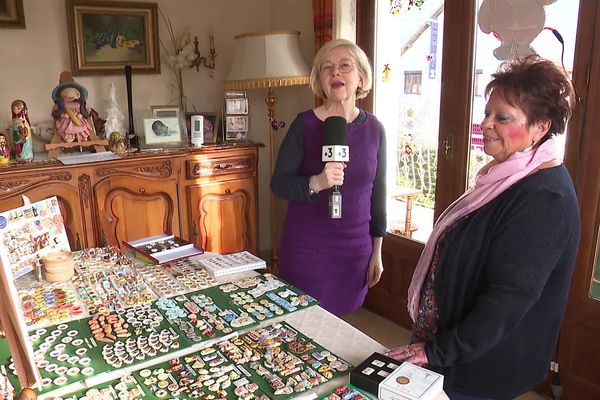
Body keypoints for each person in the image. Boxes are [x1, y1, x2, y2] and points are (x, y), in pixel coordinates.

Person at [386, 55, 580, 400]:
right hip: (458, 350)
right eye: (487, 112)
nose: (486, 123)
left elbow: (506, 300)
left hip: (479, 364)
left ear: (541, 127)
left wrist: (438, 351)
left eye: (502, 117)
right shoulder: (506, 177)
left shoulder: (544, 197)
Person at [271, 38, 386, 316]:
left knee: (341, 327)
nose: (335, 72)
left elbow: (378, 195)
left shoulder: (375, 129)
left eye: (345, 66)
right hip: (307, 247)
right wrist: (317, 182)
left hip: (354, 249)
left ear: (360, 77)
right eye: (327, 68)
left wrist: (377, 251)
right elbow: (280, 184)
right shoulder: (304, 124)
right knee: (304, 323)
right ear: (320, 81)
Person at [51, 78, 93, 143]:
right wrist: (62, 115)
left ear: (78, 94)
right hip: (66, 121)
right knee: (66, 129)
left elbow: (87, 110)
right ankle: (68, 138)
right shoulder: (61, 104)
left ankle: (83, 137)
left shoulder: (80, 103)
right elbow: (54, 112)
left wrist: (81, 114)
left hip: (79, 120)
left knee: (81, 128)